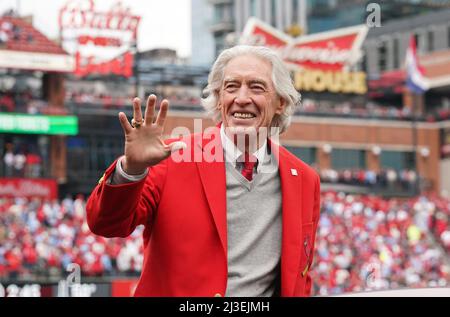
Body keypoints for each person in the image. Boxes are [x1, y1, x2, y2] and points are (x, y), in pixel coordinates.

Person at [86, 45, 321, 297]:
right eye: (231, 87)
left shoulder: (304, 179)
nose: (241, 98)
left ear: (280, 103)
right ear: (219, 99)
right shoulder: (170, 157)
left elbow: (299, 275)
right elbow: (106, 224)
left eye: (256, 87)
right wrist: (131, 170)